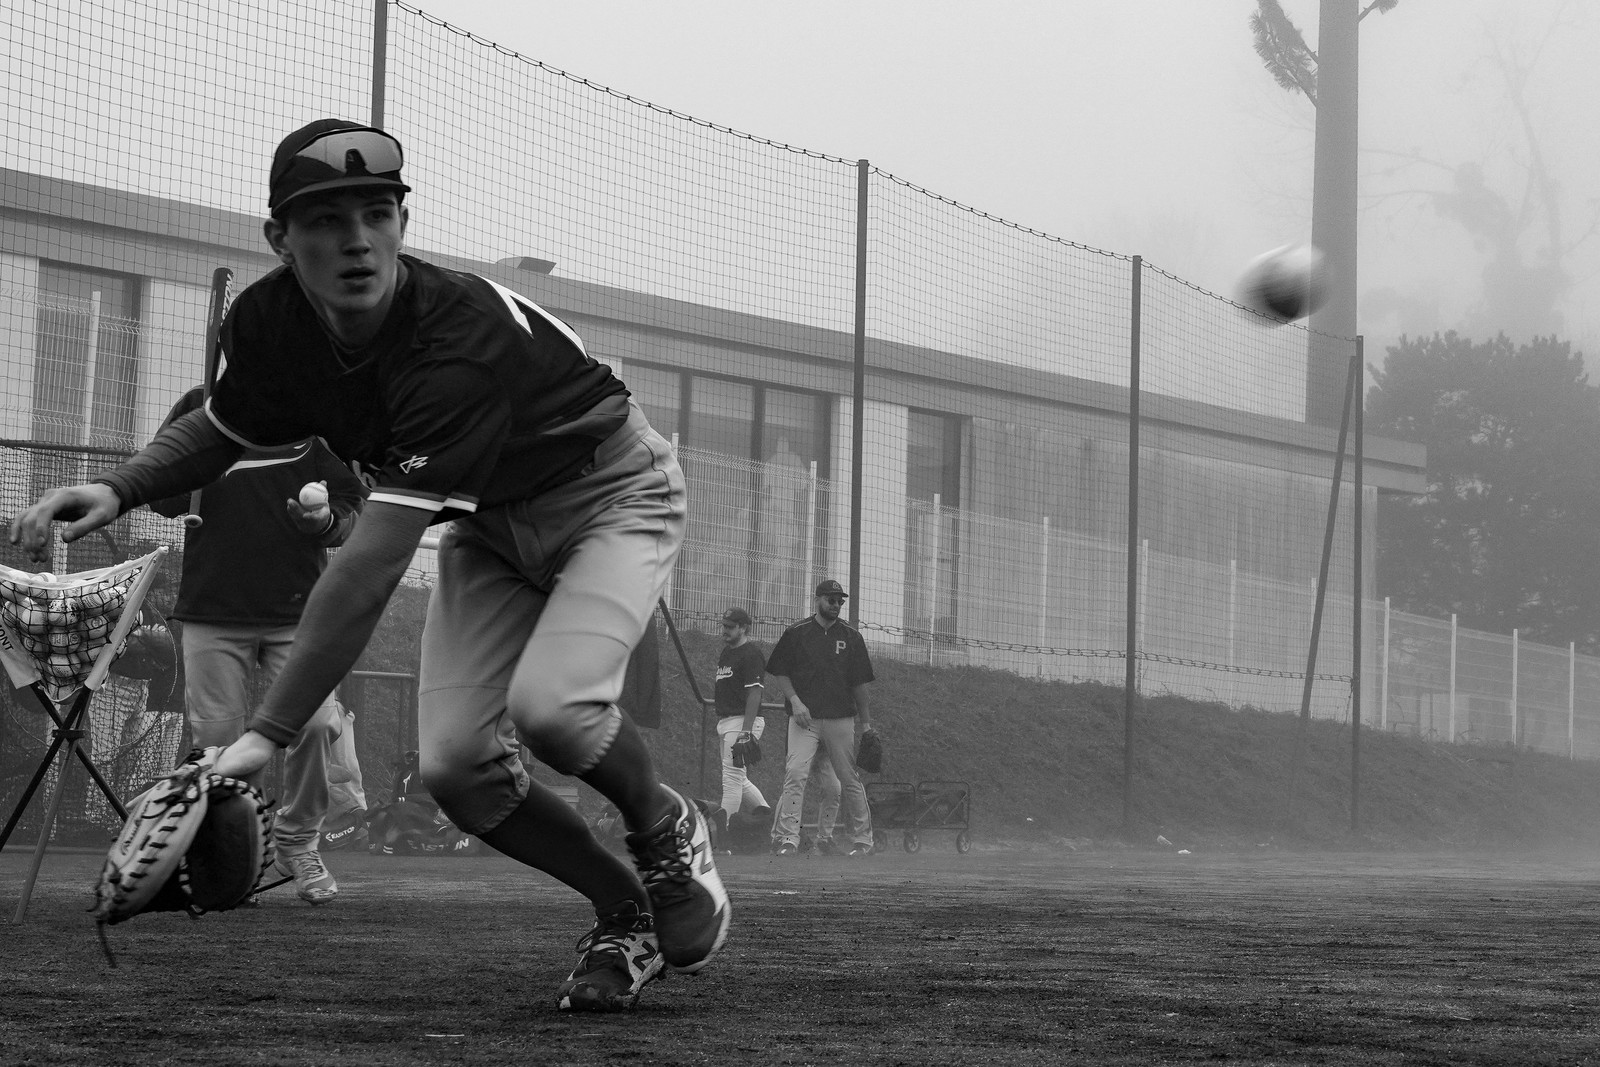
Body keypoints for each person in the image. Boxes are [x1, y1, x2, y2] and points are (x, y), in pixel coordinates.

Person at [9, 118, 727, 1012]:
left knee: (555, 709)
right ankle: (626, 910)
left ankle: (663, 827)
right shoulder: (271, 321)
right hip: (494, 524)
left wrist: (265, 734)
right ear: (280, 238)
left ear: (401, 220)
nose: (356, 238)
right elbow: (228, 426)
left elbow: (367, 569)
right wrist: (123, 486)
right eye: (325, 219)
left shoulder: (454, 337)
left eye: (376, 211)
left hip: (612, 492)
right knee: (458, 770)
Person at [147, 386, 365, 904]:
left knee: (315, 724)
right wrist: (187, 478)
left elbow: (354, 504)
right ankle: (230, 859)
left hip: (299, 612)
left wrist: (326, 521)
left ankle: (297, 840)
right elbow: (159, 492)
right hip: (212, 609)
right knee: (219, 748)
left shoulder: (319, 413)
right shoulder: (201, 405)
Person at [766, 579, 878, 857]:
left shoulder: (851, 638)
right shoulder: (797, 633)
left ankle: (863, 840)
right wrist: (795, 701)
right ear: (817, 599)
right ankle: (788, 839)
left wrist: (866, 725)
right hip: (805, 718)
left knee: (848, 778)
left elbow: (860, 685)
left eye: (840, 601)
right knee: (795, 773)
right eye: (831, 599)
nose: (836, 605)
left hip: (840, 718)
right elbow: (780, 671)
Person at [711, 606, 769, 846]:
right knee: (739, 778)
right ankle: (767, 817)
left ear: (743, 628)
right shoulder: (727, 652)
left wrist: (746, 731)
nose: (724, 630)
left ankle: (723, 836)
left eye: (730, 627)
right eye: (724, 625)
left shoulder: (751, 654)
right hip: (727, 721)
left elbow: (755, 693)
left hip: (742, 721)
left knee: (732, 778)